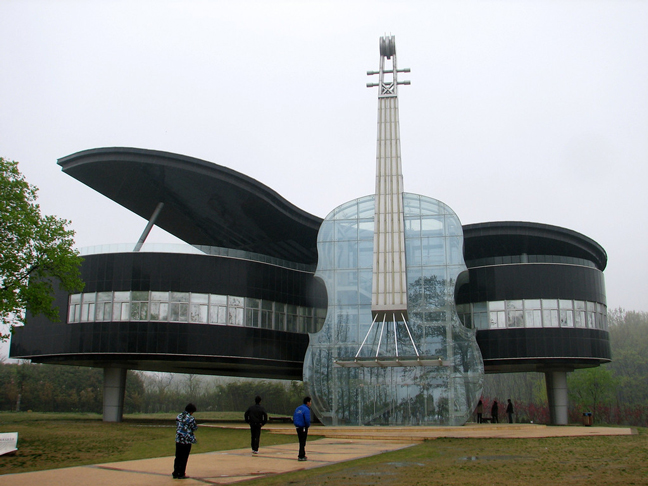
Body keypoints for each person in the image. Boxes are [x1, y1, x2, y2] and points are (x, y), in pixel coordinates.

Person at [173, 403, 197, 480]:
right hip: (186, 440)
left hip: (178, 439)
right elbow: (194, 428)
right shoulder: (191, 418)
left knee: (178, 456)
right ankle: (181, 473)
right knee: (184, 457)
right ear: (191, 411)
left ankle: (175, 472)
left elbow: (177, 425)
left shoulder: (179, 416)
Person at [293, 396, 311, 461]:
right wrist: (307, 425)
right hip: (303, 427)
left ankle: (302, 454)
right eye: (310, 402)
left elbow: (294, 417)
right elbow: (307, 419)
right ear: (307, 402)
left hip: (298, 427)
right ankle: (301, 456)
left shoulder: (298, 408)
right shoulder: (306, 409)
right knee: (302, 442)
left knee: (301, 441)